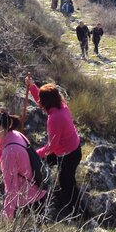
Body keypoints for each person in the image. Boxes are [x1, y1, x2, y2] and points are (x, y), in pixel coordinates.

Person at [26, 75, 81, 219]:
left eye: (41, 101)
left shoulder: (54, 118)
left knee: (67, 184)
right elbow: (43, 98)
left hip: (68, 155)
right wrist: (32, 86)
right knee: (42, 165)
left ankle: (80, 215)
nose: (39, 103)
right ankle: (40, 193)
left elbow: (51, 147)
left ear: (45, 103)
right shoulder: (60, 104)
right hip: (69, 149)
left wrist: (34, 153)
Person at [0, 107, 46, 219]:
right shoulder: (16, 135)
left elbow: (11, 189)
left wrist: (7, 217)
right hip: (38, 193)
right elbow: (17, 163)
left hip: (27, 202)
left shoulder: (9, 151)